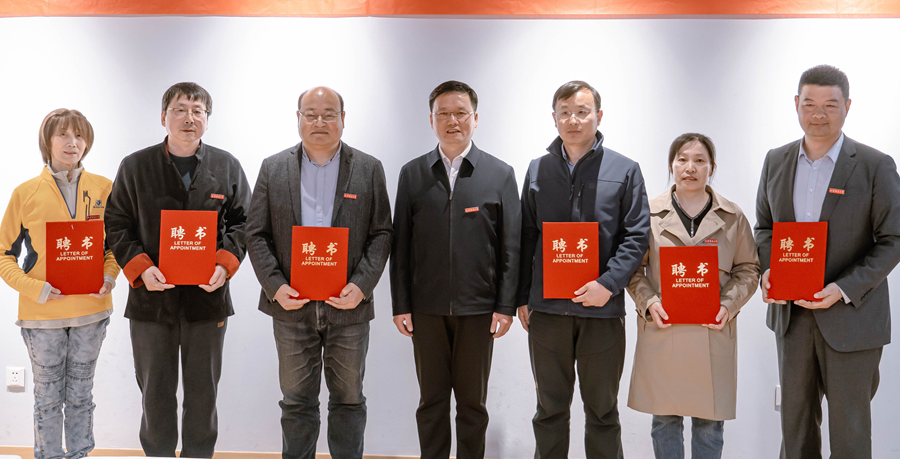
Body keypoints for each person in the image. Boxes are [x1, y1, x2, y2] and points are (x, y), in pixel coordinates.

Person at [755, 65, 900, 458]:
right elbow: (764, 228)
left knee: (850, 432)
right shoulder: (776, 160)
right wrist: (768, 271)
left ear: (847, 106)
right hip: (792, 318)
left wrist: (843, 288)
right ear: (796, 104)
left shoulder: (874, 165)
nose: (818, 114)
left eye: (830, 105)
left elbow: (893, 239)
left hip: (852, 318)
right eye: (809, 104)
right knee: (796, 428)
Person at [104, 82, 251, 458]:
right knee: (155, 393)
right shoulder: (136, 166)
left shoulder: (227, 166)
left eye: (197, 111)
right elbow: (117, 222)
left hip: (207, 298)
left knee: (203, 393)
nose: (189, 118)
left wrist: (224, 265)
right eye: (180, 109)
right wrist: (141, 269)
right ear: (163, 117)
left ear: (207, 119)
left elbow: (244, 222)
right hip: (151, 301)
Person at [246, 86, 392, 459]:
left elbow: (382, 233)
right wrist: (275, 287)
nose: (320, 121)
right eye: (311, 114)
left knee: (349, 399)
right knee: (296, 401)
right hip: (291, 306)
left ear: (343, 119)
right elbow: (256, 233)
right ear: (298, 118)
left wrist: (361, 286)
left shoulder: (368, 168)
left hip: (349, 307)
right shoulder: (273, 168)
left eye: (329, 114)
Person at [518, 80, 650, 459]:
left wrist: (608, 284)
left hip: (602, 313)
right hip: (547, 312)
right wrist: (523, 297)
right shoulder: (538, 169)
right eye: (565, 113)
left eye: (581, 112)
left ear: (598, 116)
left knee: (603, 413)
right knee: (549, 411)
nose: (573, 120)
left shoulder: (625, 170)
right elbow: (526, 236)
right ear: (554, 118)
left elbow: (636, 235)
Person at [390, 80, 520, 459]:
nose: (452, 121)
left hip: (479, 310)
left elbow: (511, 246)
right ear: (431, 120)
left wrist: (506, 306)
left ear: (475, 119)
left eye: (461, 113)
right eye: (443, 113)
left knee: (472, 405)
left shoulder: (500, 174)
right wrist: (401, 304)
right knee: (431, 403)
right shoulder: (413, 173)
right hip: (425, 309)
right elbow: (401, 245)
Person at [626, 133, 759, 459]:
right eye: (682, 159)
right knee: (664, 420)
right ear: (671, 165)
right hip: (664, 329)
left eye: (700, 161)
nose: (690, 168)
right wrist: (649, 303)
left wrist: (728, 305)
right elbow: (632, 270)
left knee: (709, 425)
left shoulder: (732, 217)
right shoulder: (648, 214)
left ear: (711, 167)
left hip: (712, 330)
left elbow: (749, 269)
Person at [0, 109, 119, 459]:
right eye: (63, 135)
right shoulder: (25, 193)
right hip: (42, 316)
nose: (72, 142)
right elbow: (4, 255)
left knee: (81, 397)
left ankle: (79, 455)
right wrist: (34, 288)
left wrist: (110, 276)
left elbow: (115, 246)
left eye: (79, 135)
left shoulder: (105, 188)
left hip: (91, 312)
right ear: (47, 142)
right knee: (47, 400)